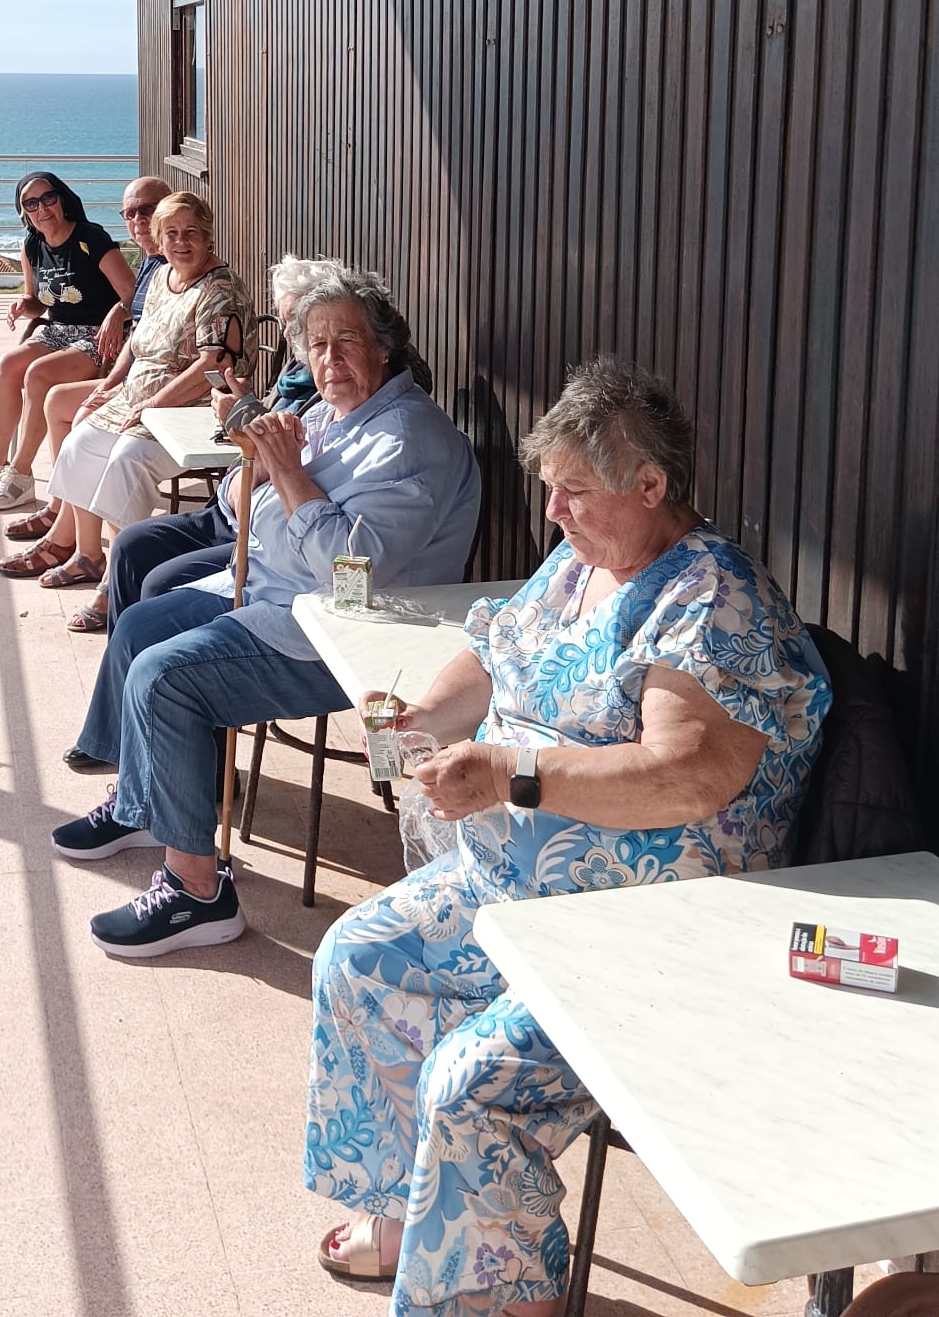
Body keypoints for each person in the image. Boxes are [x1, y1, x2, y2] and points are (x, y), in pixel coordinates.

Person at [305, 354, 830, 1316]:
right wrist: (419, 716)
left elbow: (690, 774)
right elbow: (498, 640)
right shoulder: (583, 561)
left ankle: (504, 1297)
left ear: (652, 485)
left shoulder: (707, 599)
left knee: (473, 1084)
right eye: (548, 490)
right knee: (360, 954)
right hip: (519, 894)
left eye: (573, 493)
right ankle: (406, 1220)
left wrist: (511, 774)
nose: (554, 514)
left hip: (648, 932)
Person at [50, 264, 481, 959]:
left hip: (339, 631)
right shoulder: (329, 412)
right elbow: (234, 510)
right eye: (316, 344)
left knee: (165, 678)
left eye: (346, 341)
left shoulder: (408, 440)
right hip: (268, 591)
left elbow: (352, 575)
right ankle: (143, 804)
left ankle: (197, 895)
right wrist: (253, 463)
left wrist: (287, 472)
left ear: (386, 348)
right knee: (137, 623)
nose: (329, 359)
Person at [58, 252, 330, 730]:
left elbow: (289, 461)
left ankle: (140, 729)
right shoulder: (300, 377)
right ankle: (120, 718)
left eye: (299, 323)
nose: (293, 337)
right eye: (289, 323)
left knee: (156, 582)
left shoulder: (325, 388)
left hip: (261, 533)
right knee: (131, 545)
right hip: (237, 505)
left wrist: (239, 409)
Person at [0, 190, 251, 593]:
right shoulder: (163, 275)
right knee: (80, 442)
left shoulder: (218, 290)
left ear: (208, 236)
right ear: (159, 237)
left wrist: (152, 403)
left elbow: (214, 364)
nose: (181, 242)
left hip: (195, 408)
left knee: (124, 461)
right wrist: (112, 385)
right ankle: (87, 555)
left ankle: (118, 583)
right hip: (141, 399)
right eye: (170, 233)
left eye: (190, 232)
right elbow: (137, 341)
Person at [0, 175, 169, 517]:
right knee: (8, 365)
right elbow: (39, 300)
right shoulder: (32, 245)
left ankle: (21, 474)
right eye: (31, 204)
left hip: (98, 333)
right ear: (24, 212)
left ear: (63, 199)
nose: (42, 208)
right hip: (58, 329)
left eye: (48, 198)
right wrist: (25, 304)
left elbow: (131, 293)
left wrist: (117, 311)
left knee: (38, 375)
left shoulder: (90, 238)